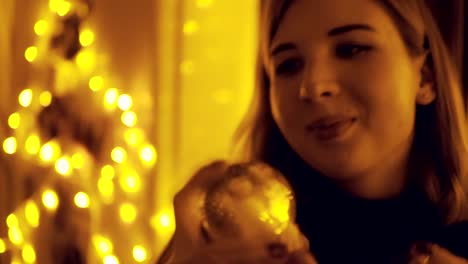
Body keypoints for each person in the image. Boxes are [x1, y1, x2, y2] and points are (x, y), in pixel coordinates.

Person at [158, 0, 468, 263]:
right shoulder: (236, 239)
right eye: (289, 65)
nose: (313, 86)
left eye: (351, 49)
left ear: (425, 78)